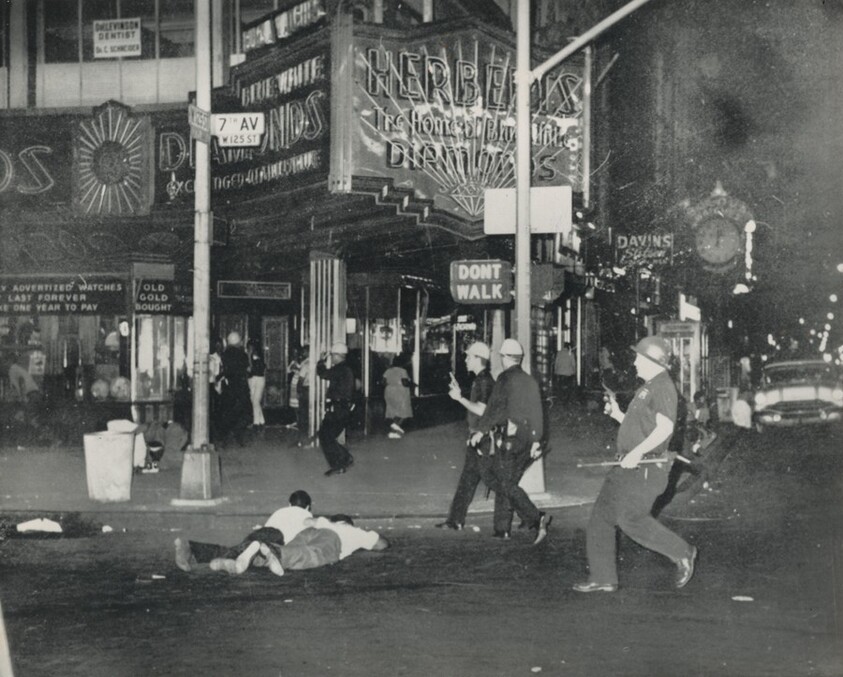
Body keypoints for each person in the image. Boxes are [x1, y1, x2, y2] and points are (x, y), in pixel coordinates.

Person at [573, 336, 698, 593]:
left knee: (630, 519)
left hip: (646, 467)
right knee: (601, 517)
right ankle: (603, 577)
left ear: (652, 360)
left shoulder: (662, 386)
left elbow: (665, 429)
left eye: (639, 357)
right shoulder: (648, 387)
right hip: (627, 466)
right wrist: (619, 414)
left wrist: (638, 453)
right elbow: (642, 427)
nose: (635, 362)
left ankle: (683, 552)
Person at [470, 339, 551, 545]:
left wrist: (481, 430)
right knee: (508, 481)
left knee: (498, 479)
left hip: (510, 437)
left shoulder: (504, 379)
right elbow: (537, 412)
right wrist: (536, 440)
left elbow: (495, 409)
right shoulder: (530, 381)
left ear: (505, 358)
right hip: (527, 439)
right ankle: (505, 527)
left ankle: (535, 517)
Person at [174, 490, 314, 574]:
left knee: (238, 550)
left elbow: (267, 527)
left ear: (289, 504)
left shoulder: (280, 512)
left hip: (265, 532)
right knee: (242, 553)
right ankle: (229, 562)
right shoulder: (307, 516)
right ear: (308, 507)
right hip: (277, 538)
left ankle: (191, 546)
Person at [436, 341, 496, 531]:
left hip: (483, 438)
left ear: (479, 359)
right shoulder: (480, 379)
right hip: (477, 436)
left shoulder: (484, 381)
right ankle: (455, 520)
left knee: (497, 482)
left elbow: (482, 410)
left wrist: (459, 398)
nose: (466, 359)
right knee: (468, 480)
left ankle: (533, 515)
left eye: (469, 356)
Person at [316, 342, 355, 475]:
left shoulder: (340, 369)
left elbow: (322, 374)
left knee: (325, 435)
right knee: (328, 435)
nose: (331, 357)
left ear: (338, 356)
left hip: (338, 408)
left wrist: (321, 361)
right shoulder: (346, 369)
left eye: (333, 355)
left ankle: (339, 463)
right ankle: (345, 458)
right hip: (342, 407)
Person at [218, 332, 252, 447]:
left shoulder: (224, 354)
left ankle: (225, 439)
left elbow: (224, 370)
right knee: (243, 413)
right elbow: (247, 370)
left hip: (229, 388)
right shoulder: (242, 354)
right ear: (238, 341)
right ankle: (239, 437)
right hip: (241, 387)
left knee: (227, 413)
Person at [382, 354, 413, 439]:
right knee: (403, 412)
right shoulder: (403, 371)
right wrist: (412, 384)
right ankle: (395, 429)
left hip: (389, 391)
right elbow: (405, 383)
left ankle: (394, 429)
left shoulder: (388, 371)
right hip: (400, 392)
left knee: (392, 411)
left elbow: (383, 382)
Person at [247, 339, 267, 428]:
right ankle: (261, 420)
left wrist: (249, 357)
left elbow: (252, 368)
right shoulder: (248, 356)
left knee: (256, 400)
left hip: (259, 379)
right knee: (254, 400)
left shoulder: (258, 357)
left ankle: (256, 423)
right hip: (251, 379)